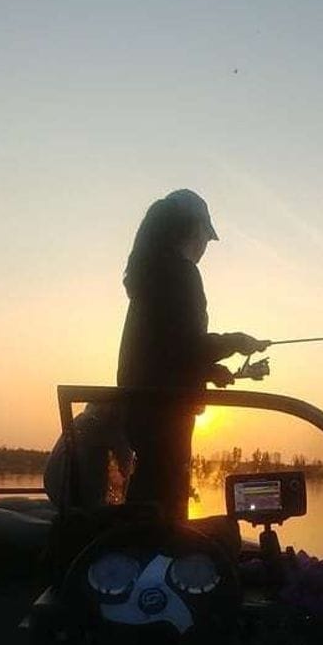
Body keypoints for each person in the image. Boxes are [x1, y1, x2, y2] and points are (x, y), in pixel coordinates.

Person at [117, 189, 268, 518]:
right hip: (165, 414)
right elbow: (187, 347)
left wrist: (210, 371)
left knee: (149, 493)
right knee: (166, 505)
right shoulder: (181, 273)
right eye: (206, 236)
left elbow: (167, 349)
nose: (205, 247)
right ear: (192, 228)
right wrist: (237, 341)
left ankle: (140, 554)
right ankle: (159, 559)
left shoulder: (152, 276)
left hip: (142, 412)